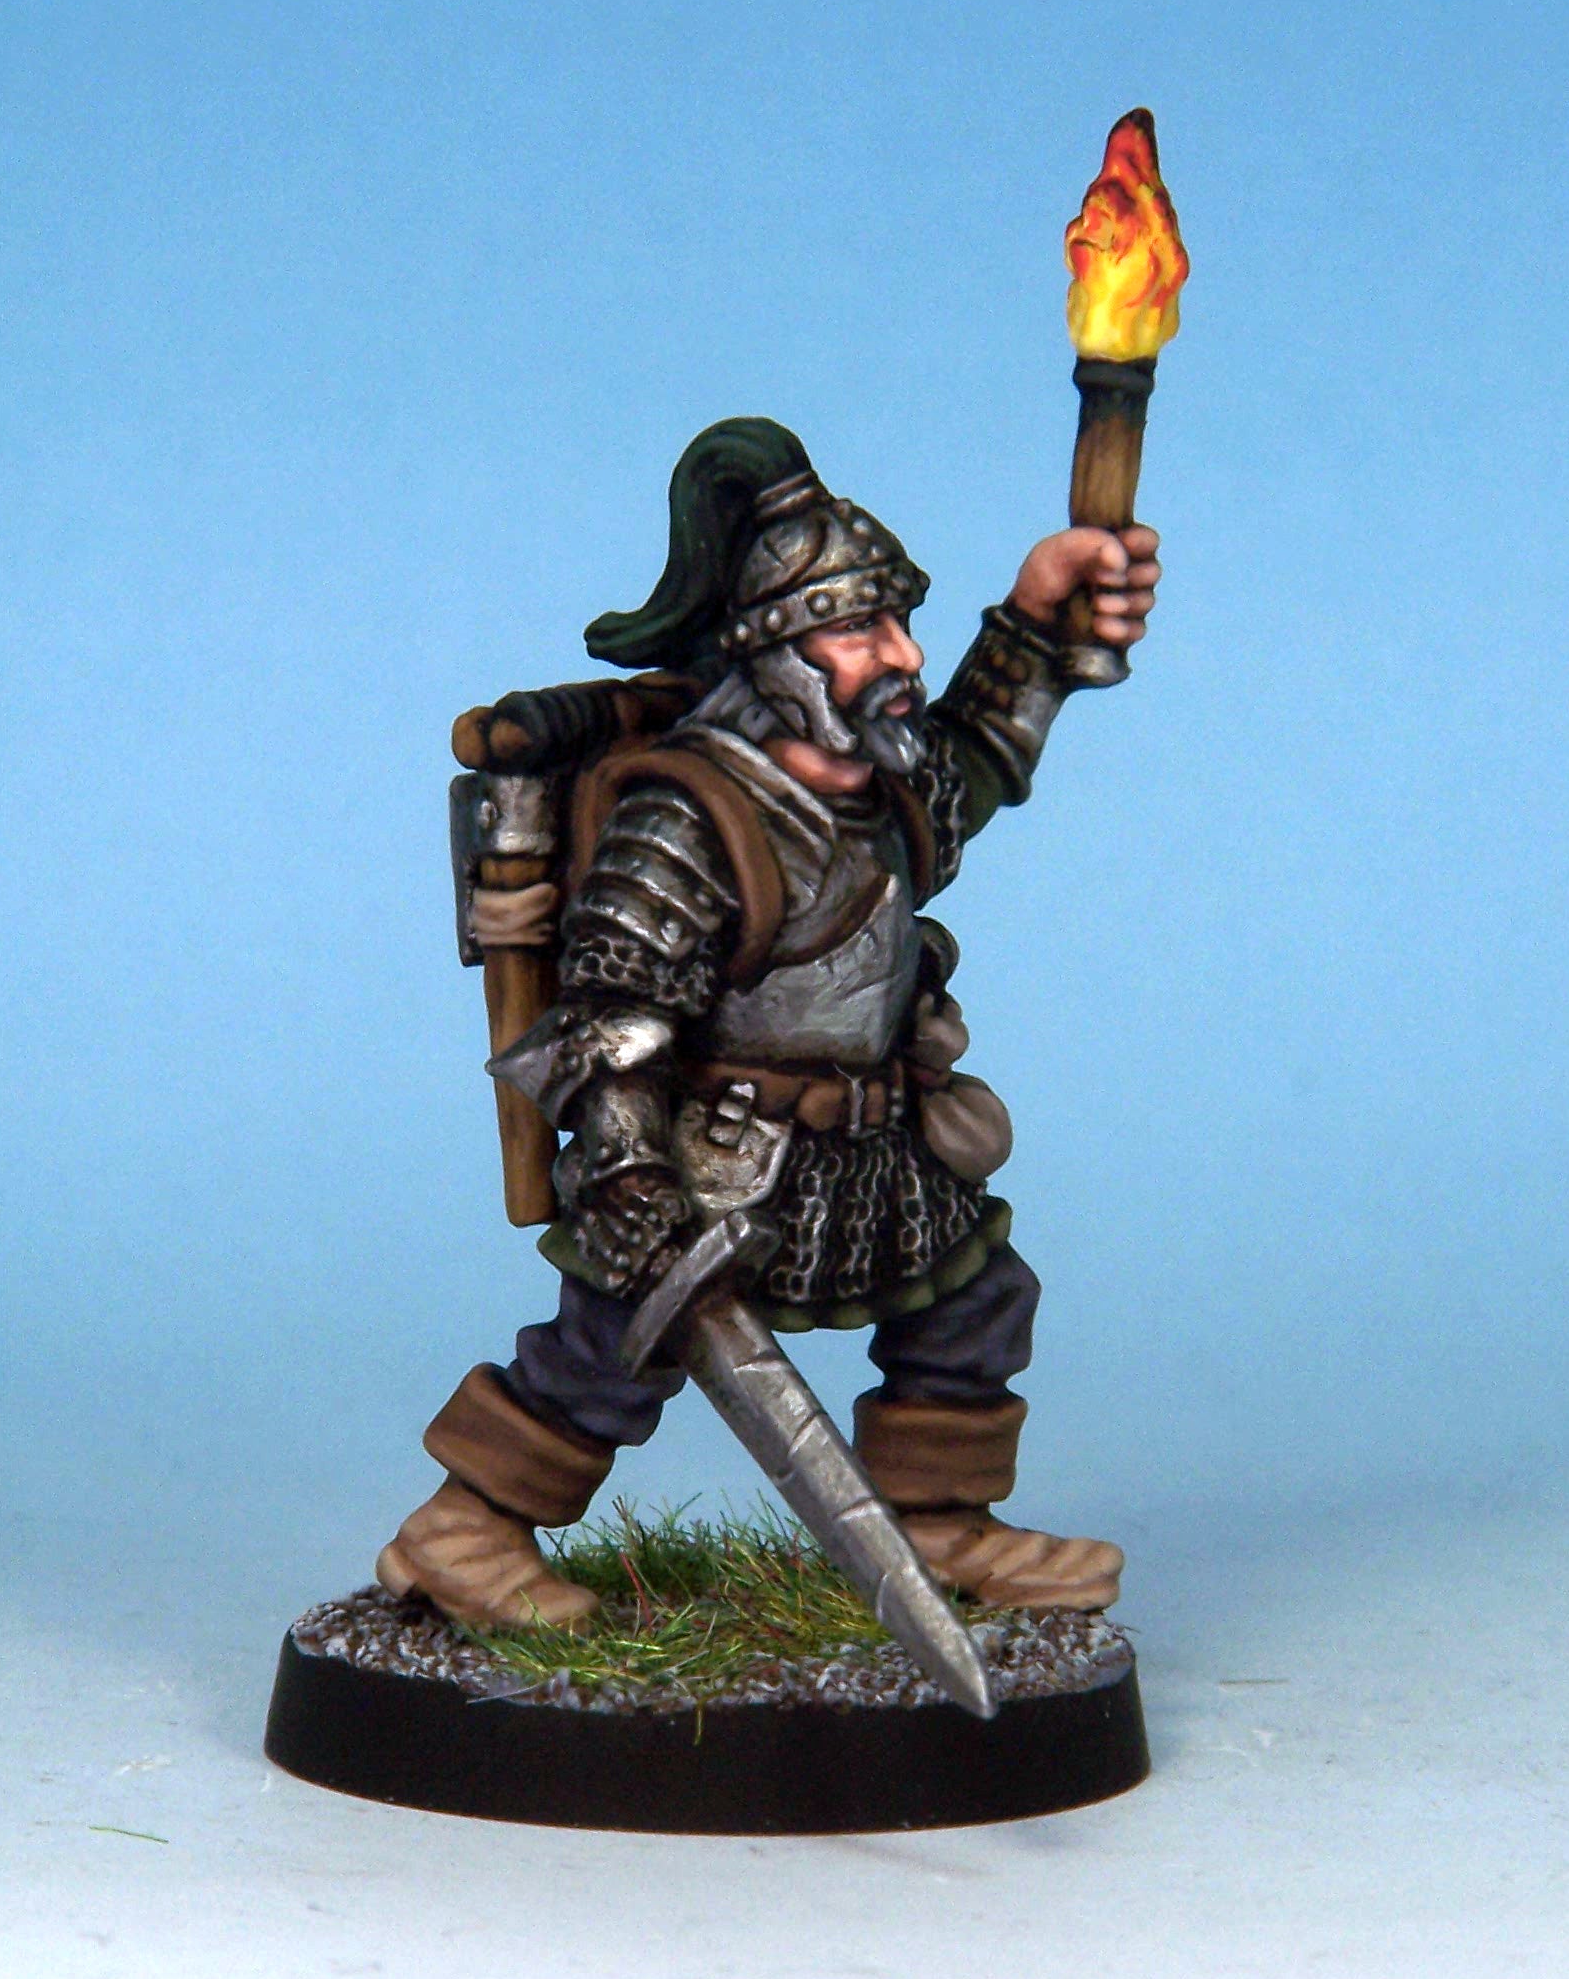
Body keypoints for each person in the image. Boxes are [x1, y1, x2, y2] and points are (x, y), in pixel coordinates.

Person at [378, 417, 1160, 1629]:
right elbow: (612, 1018)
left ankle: (940, 1525)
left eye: (899, 623)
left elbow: (979, 754)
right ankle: (464, 1527)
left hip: (878, 1150)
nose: (902, 656)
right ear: (775, 654)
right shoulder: (690, 820)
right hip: (717, 1160)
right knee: (610, 1348)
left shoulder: (886, 784)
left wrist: (1038, 618)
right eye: (861, 631)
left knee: (973, 1298)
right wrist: (630, 1177)